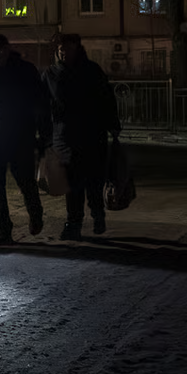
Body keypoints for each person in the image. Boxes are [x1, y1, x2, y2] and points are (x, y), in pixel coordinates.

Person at [0, 33, 49, 245]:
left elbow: (40, 102)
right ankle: (3, 229)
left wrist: (43, 133)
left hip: (19, 135)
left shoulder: (24, 70)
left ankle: (35, 214)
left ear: (7, 49)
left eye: (1, 50)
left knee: (24, 180)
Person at [41, 32, 121, 241]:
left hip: (92, 133)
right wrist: (43, 131)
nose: (64, 52)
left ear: (77, 49)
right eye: (61, 49)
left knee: (93, 180)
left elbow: (106, 98)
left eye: (68, 48)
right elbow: (41, 104)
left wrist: (113, 124)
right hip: (65, 136)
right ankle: (73, 223)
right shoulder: (51, 74)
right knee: (72, 182)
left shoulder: (92, 71)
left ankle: (97, 214)